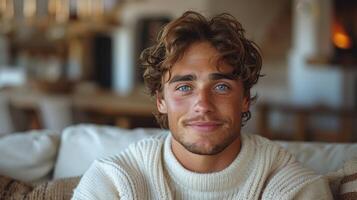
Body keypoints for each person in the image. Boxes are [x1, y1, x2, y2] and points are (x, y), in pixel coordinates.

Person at [72, 11, 332, 199]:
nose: (203, 105)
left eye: (221, 87)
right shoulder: (113, 184)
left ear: (244, 99)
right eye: (185, 87)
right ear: (161, 100)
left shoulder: (295, 190)